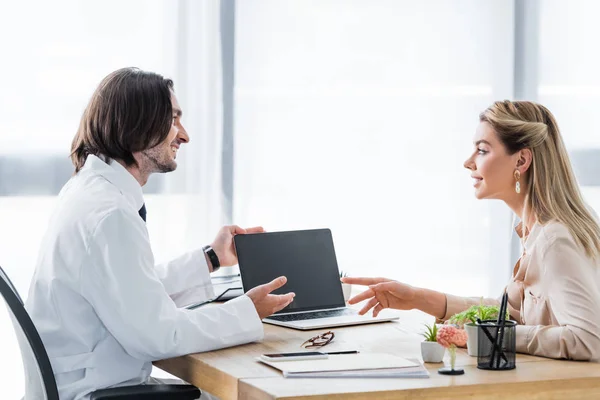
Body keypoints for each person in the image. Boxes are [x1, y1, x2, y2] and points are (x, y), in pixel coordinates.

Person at [25, 67, 295, 400]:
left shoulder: (89, 192)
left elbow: (132, 291)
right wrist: (246, 311)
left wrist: (211, 258)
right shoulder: (110, 215)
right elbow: (158, 336)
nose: (183, 135)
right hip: (100, 392)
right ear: (138, 125)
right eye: (173, 120)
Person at [343, 100, 600, 361]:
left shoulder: (554, 239)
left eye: (482, 150)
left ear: (521, 160)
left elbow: (587, 340)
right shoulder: (535, 231)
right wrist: (419, 298)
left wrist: (487, 336)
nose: (468, 162)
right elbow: (511, 313)